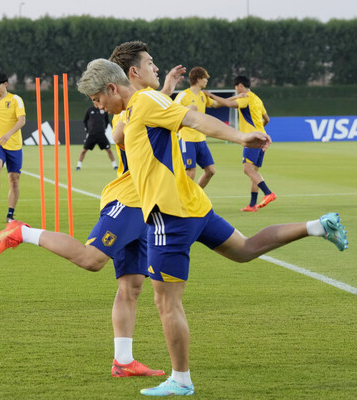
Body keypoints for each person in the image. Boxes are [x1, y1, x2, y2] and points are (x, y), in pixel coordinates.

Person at [73, 58, 347, 397]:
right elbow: (120, 132)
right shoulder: (135, 108)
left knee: (166, 303)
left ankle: (181, 379)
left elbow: (193, 118)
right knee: (245, 250)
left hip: (168, 216)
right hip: (194, 206)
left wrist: (240, 136)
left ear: (113, 88)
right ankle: (316, 227)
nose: (98, 107)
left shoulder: (144, 102)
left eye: (98, 100)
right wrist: (156, 92)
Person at [0, 46, 186, 378]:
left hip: (146, 203)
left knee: (132, 285)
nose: (156, 67)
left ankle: (123, 361)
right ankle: (21, 232)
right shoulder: (129, 105)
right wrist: (165, 92)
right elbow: (126, 130)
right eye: (150, 63)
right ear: (132, 73)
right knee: (92, 259)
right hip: (129, 199)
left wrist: (165, 89)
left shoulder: (142, 100)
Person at [205, 76, 275, 211]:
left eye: (236, 87)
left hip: (252, 139)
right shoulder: (257, 99)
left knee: (247, 169)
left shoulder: (246, 98)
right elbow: (266, 119)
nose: (236, 90)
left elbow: (229, 104)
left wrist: (211, 94)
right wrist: (260, 129)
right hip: (262, 137)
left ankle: (268, 193)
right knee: (253, 172)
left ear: (240, 86)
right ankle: (252, 205)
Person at [174, 67, 227, 189]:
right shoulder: (183, 95)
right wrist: (187, 108)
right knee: (190, 172)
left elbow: (217, 104)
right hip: (187, 139)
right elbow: (173, 110)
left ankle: (196, 195)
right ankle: (184, 200)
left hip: (201, 139)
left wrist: (236, 98)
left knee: (210, 171)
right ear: (198, 79)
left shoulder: (203, 95)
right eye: (205, 78)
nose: (206, 81)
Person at [0, 72, 26, 222]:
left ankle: (10, 214)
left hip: (14, 145)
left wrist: (9, 134)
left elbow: (21, 120)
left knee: (14, 179)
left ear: (5, 84)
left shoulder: (15, 99)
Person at [76, 104, 118, 170]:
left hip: (101, 135)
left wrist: (104, 129)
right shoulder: (90, 110)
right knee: (84, 151)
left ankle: (115, 165)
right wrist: (88, 130)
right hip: (91, 135)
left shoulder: (104, 110)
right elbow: (85, 121)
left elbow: (107, 121)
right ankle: (78, 166)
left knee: (109, 150)